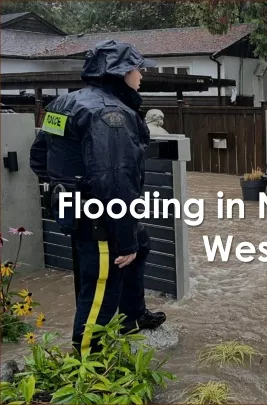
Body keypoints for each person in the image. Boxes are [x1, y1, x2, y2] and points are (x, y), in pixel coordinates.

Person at [29, 39, 166, 357]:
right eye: (136, 69)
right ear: (118, 72)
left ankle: (133, 316)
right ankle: (88, 363)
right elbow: (114, 180)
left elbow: (39, 156)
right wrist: (124, 237)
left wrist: (66, 188)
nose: (141, 75)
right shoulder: (110, 113)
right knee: (101, 287)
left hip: (74, 206)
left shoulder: (61, 105)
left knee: (141, 247)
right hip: (100, 215)